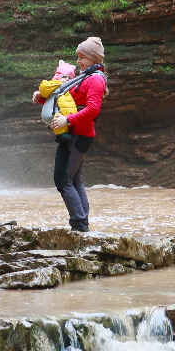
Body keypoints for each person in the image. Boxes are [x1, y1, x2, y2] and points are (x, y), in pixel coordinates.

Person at [33, 37, 107, 232]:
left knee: (63, 180)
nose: (78, 61)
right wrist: (42, 99)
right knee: (74, 180)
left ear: (93, 58)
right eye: (78, 57)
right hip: (76, 134)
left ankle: (79, 224)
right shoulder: (85, 77)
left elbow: (93, 110)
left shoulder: (95, 79)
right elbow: (67, 102)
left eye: (82, 57)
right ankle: (82, 222)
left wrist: (68, 120)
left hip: (79, 134)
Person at [36, 61, 79, 142]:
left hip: (48, 114)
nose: (67, 79)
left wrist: (39, 94)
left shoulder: (51, 88)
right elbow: (67, 106)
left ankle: (62, 135)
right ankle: (62, 134)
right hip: (55, 115)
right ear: (58, 78)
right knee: (60, 116)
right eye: (64, 77)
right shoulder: (60, 89)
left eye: (70, 78)